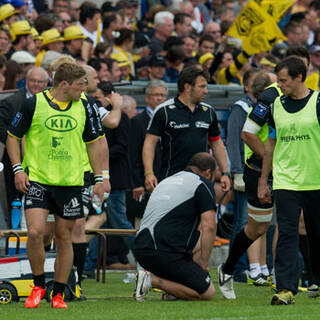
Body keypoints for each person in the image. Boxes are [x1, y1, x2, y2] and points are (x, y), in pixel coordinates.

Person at [6, 63, 107, 309]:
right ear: (64, 84)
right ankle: (38, 285)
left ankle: (59, 293)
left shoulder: (85, 105)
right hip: (38, 179)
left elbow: (96, 143)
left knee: (64, 237)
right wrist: (18, 169)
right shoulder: (33, 104)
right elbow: (12, 136)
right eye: (81, 84)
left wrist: (100, 178)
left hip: (71, 182)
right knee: (35, 232)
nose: (85, 88)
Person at [258, 56, 320, 305]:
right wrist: (264, 180)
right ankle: (285, 288)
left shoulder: (318, 102)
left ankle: (317, 280)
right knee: (286, 233)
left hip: (316, 180)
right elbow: (270, 146)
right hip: (286, 181)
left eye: (283, 81)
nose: (279, 85)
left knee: (317, 234)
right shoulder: (276, 106)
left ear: (299, 78)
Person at [134, 152, 216, 301]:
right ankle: (151, 281)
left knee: (197, 236)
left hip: (142, 249)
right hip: (163, 252)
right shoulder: (202, 183)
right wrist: (204, 265)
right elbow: (209, 226)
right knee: (207, 292)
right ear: (208, 173)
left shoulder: (168, 180)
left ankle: (172, 291)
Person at [143, 65, 230, 192]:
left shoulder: (209, 111)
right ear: (188, 87)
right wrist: (149, 173)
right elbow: (149, 143)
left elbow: (217, 143)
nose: (206, 91)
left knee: (207, 212)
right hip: (171, 179)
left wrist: (225, 173)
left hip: (201, 181)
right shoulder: (164, 111)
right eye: (202, 87)